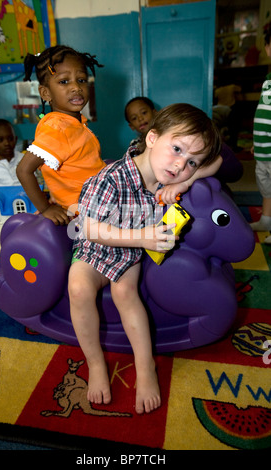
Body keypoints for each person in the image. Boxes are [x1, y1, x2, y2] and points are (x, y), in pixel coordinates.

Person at [68, 103, 222, 415]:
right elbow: (88, 229)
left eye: (191, 161)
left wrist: (185, 182)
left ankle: (145, 365)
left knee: (126, 293)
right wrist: (142, 237)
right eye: (177, 149)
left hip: (129, 253)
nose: (180, 165)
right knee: (79, 287)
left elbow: (216, 161)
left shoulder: (169, 176)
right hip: (96, 245)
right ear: (152, 138)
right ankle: (95, 363)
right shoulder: (111, 178)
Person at [16, 45, 106, 226]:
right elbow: (23, 170)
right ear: (46, 93)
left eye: (81, 80)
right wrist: (46, 208)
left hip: (98, 199)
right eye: (64, 82)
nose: (76, 87)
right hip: (89, 212)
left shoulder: (74, 122)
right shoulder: (58, 128)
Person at [250, 23, 271, 244]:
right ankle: (266, 219)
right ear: (267, 48)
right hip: (263, 151)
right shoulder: (268, 81)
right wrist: (258, 141)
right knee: (266, 188)